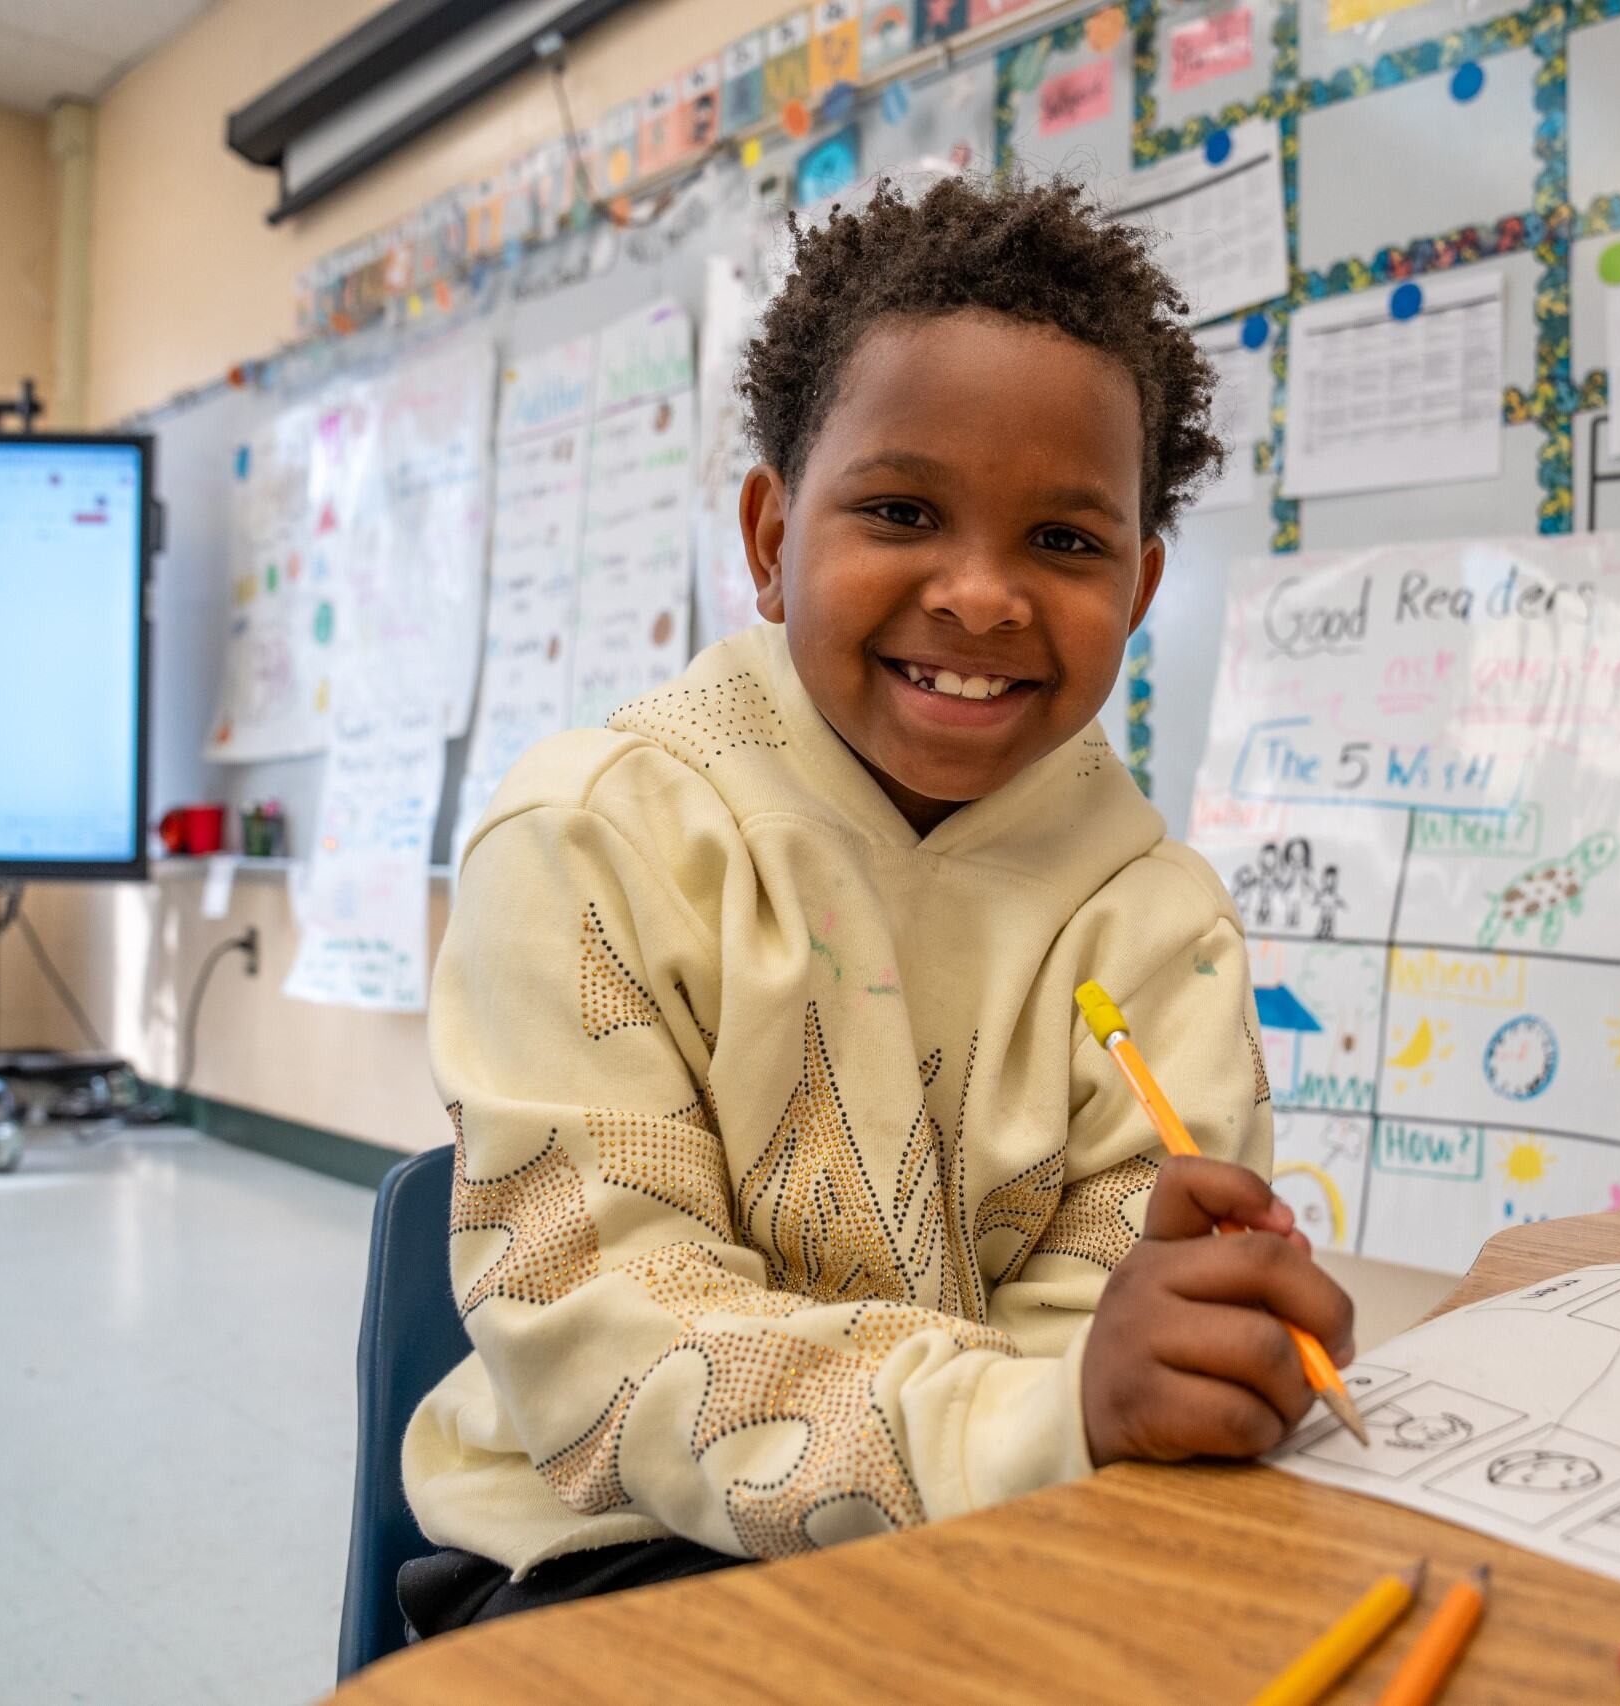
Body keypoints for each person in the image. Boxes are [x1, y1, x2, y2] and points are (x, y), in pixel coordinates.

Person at [398, 175, 1354, 1635]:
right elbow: (611, 1365)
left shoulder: (1160, 925)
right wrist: (1050, 1415)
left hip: (1014, 1532)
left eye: (1067, 541)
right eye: (903, 509)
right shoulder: (595, 838)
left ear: (1143, 586)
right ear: (773, 537)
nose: (980, 595)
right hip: (604, 1559)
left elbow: (1096, 1360)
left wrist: (1171, 1361)